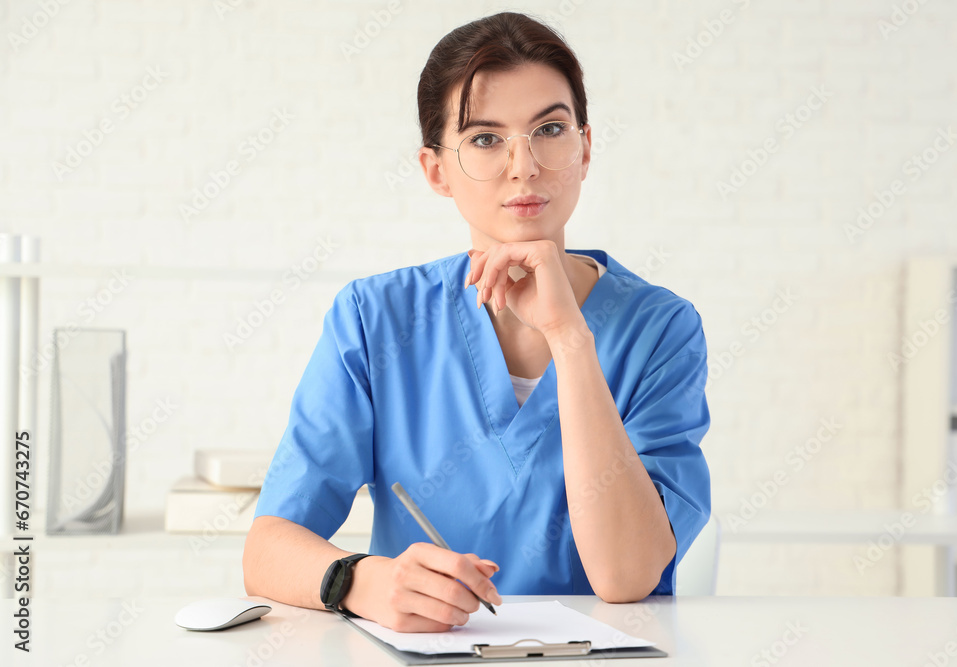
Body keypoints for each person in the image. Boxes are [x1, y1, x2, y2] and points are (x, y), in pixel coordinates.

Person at [242, 11, 711, 633]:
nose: (524, 166)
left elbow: (627, 578)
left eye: (550, 129)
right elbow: (268, 548)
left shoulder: (660, 329)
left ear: (585, 148)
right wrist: (359, 580)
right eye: (486, 139)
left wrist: (570, 340)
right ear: (436, 169)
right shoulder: (375, 318)